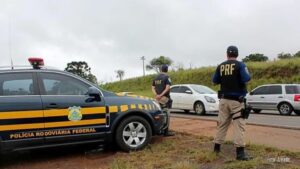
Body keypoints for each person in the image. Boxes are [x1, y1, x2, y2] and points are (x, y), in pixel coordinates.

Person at [212, 45, 252, 161]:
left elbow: (214, 81)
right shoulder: (240, 65)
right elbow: (247, 79)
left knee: (222, 124)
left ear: (227, 54)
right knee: (239, 126)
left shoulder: (220, 66)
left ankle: (216, 149)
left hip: (223, 100)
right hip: (237, 101)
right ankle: (240, 154)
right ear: (237, 54)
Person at [152, 64, 175, 136]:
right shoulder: (167, 77)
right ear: (167, 70)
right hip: (164, 98)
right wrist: (161, 95)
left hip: (157, 99)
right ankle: (165, 132)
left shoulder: (156, 77)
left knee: (159, 114)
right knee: (166, 115)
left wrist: (156, 95)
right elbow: (167, 88)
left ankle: (159, 130)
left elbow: (152, 87)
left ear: (161, 69)